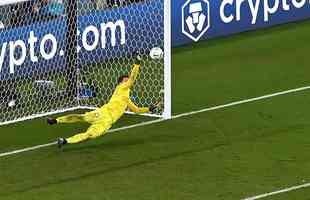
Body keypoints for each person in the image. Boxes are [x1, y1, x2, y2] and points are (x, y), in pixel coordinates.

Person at [47, 54, 159, 148]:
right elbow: (133, 78)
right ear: (121, 82)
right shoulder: (121, 88)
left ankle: (65, 141)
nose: (129, 80)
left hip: (106, 122)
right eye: (126, 79)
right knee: (80, 117)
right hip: (102, 112)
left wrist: (149, 109)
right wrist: (137, 63)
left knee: (89, 134)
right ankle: (55, 120)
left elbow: (137, 110)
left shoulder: (126, 99)